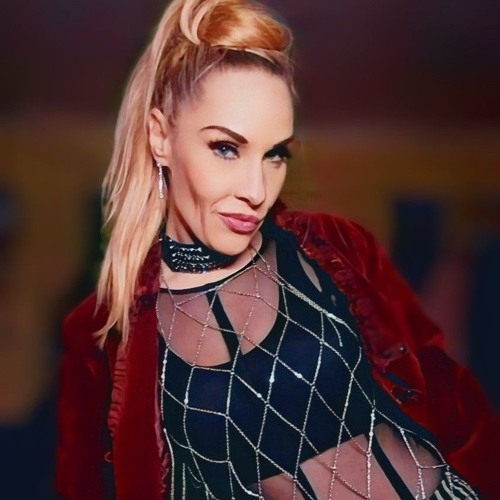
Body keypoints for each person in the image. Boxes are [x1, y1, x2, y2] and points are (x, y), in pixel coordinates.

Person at [55, 0, 497, 498]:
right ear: (160, 137)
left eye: (274, 154)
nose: (256, 190)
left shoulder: (335, 246)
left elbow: (448, 392)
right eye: (226, 148)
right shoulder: (103, 330)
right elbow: (84, 485)